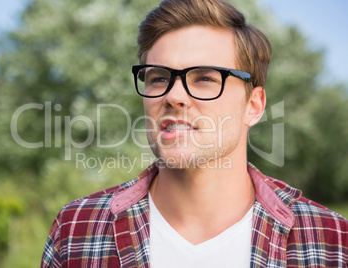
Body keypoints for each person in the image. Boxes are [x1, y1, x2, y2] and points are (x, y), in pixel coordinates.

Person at [41, 0, 348, 267]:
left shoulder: (332, 241)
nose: (174, 96)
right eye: (159, 78)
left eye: (203, 78)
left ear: (253, 106)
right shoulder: (76, 230)